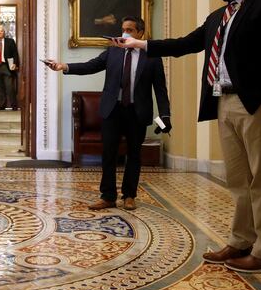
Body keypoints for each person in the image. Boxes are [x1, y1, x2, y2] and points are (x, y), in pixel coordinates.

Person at [115, 0, 261, 274]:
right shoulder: (218, 17)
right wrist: (139, 45)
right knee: (239, 179)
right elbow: (186, 44)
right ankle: (241, 241)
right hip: (223, 102)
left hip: (256, 103)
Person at [47, 16, 170, 210]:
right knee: (108, 154)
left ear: (140, 33)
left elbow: (160, 90)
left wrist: (165, 116)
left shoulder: (152, 56)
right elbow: (91, 66)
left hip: (137, 111)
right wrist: (64, 66)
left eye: (130, 30)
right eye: (123, 29)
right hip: (112, 109)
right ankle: (108, 196)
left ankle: (129, 196)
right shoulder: (113, 51)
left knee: (134, 155)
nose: (125, 33)